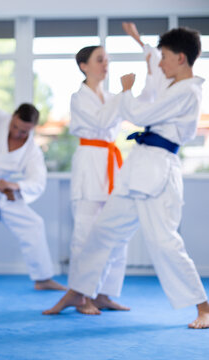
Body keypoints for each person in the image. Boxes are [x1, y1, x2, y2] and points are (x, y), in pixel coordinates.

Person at [45, 23, 209, 329]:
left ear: (181, 59)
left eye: (164, 57)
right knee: (101, 233)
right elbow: (153, 83)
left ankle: (204, 307)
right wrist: (139, 42)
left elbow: (144, 114)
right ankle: (78, 291)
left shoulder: (188, 90)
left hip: (158, 173)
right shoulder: (173, 85)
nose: (159, 63)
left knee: (165, 242)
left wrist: (126, 91)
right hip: (136, 171)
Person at [43, 46, 132, 315]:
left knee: (117, 233)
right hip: (90, 162)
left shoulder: (111, 96)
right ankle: (81, 295)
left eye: (107, 59)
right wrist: (125, 94)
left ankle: (104, 293)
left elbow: (120, 119)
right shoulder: (78, 97)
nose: (106, 64)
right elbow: (102, 121)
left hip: (111, 165)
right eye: (100, 59)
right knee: (85, 234)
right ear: (84, 65)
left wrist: (123, 96)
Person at [0, 104, 66, 292]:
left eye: (24, 131)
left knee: (33, 223)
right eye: (15, 127)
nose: (17, 133)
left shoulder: (31, 150)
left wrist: (15, 186)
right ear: (13, 117)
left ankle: (43, 278)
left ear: (33, 128)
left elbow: (37, 181)